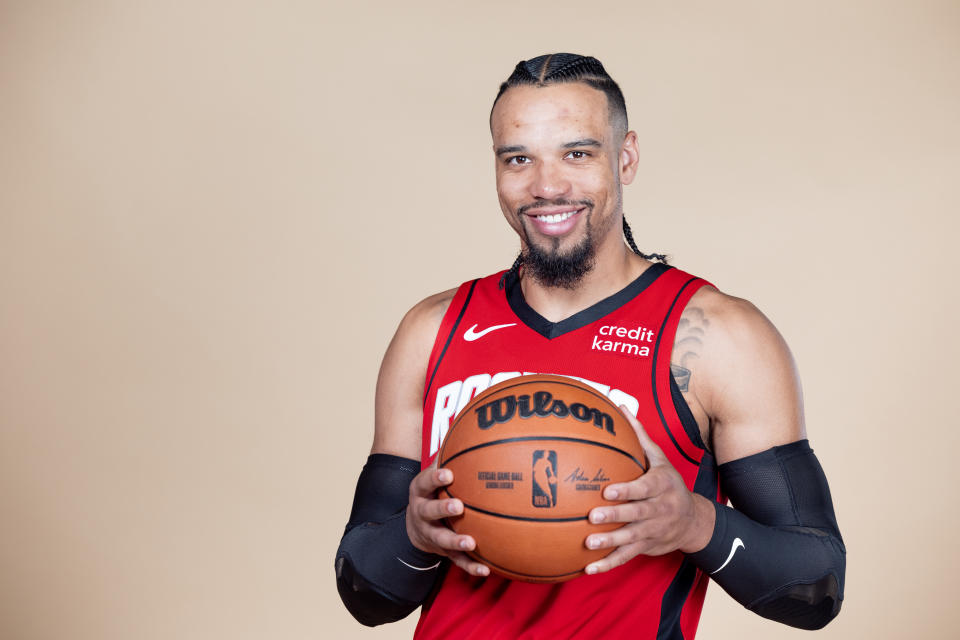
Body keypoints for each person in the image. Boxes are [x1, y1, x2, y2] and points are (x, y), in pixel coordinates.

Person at [335, 53, 845, 638]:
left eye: (577, 154)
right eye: (518, 159)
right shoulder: (434, 330)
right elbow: (365, 595)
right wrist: (414, 536)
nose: (546, 186)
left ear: (625, 158)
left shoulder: (713, 338)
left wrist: (696, 525)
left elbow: (816, 587)